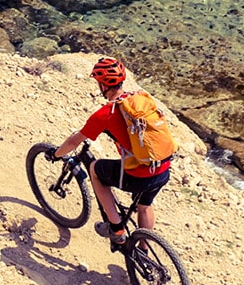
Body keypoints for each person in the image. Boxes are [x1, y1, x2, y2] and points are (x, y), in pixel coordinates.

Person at [49, 56, 175, 249]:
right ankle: (143, 252)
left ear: (103, 85)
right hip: (163, 169)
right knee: (144, 206)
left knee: (95, 169)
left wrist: (56, 154)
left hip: (139, 176)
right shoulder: (140, 99)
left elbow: (75, 141)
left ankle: (116, 228)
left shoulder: (106, 114)